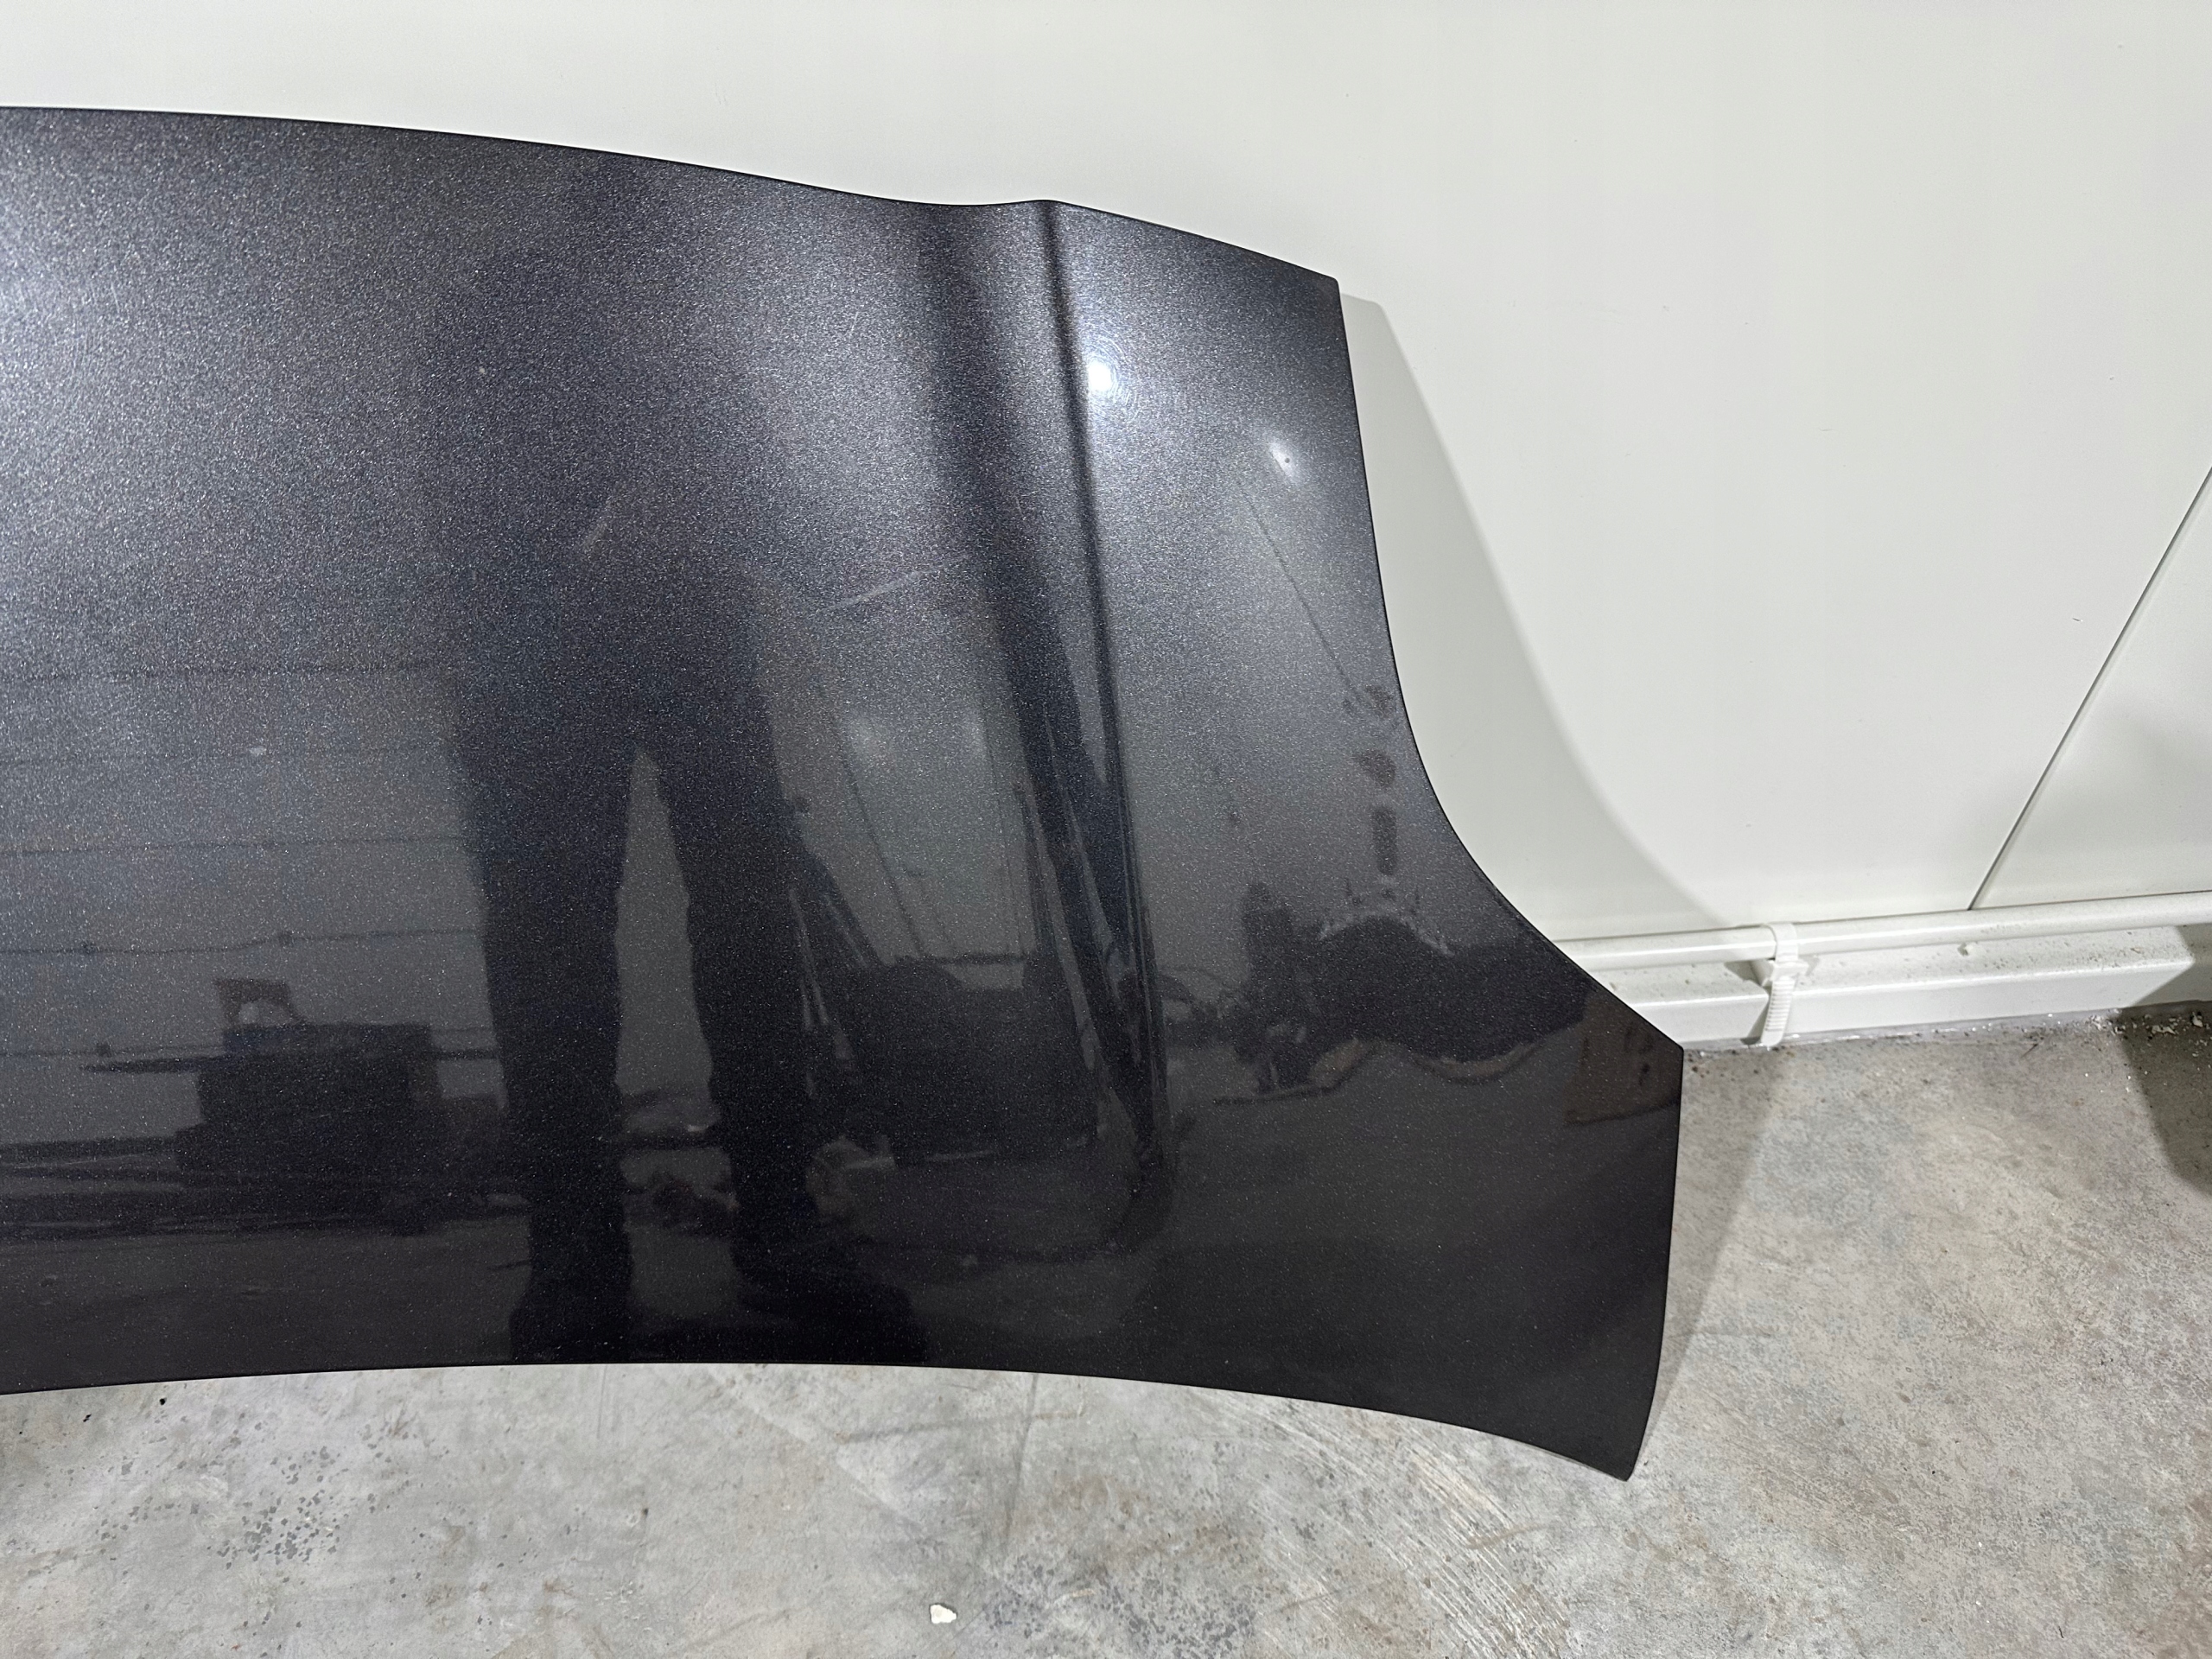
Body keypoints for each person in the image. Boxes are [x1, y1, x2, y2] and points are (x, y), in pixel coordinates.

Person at [431, 157, 861, 1360]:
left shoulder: (684, 338)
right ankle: (593, 1254)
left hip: (670, 635)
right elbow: (447, 493)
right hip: (542, 654)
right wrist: (577, 541)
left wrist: (812, 541)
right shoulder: (502, 319)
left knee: (736, 928)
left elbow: (767, 485)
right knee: (558, 954)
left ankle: (756, 1223)